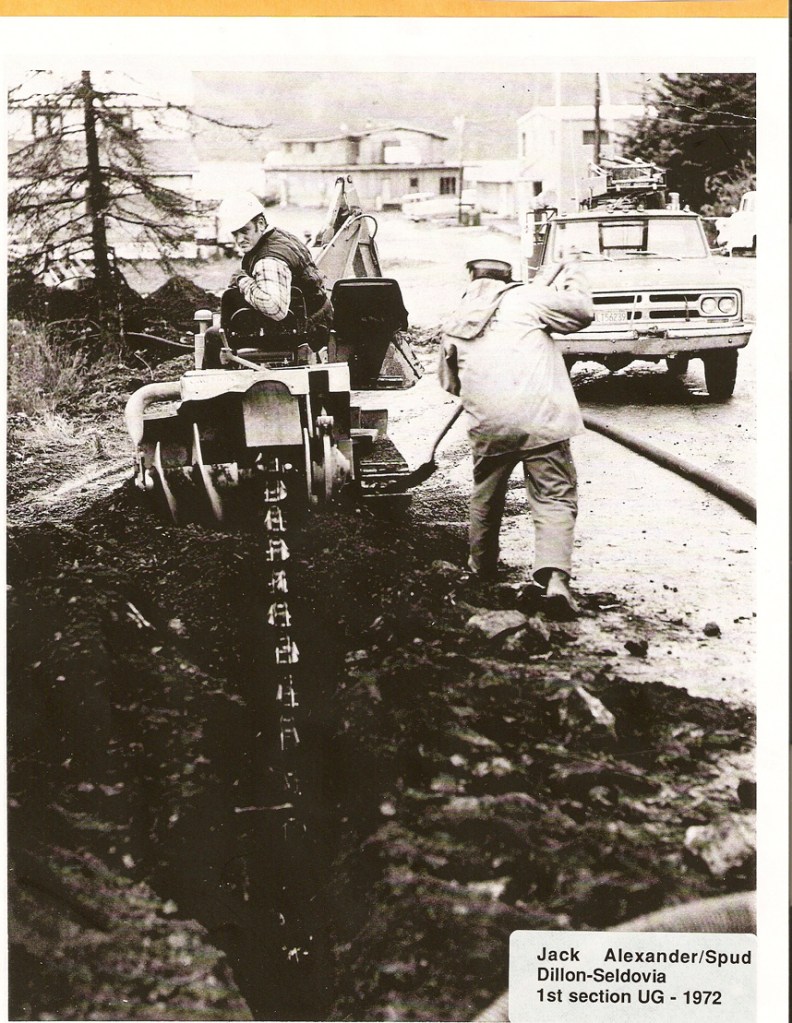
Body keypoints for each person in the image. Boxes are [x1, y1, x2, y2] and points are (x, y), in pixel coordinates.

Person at [438, 255, 594, 617]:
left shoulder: (457, 318)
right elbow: (583, 312)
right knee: (553, 495)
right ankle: (555, 581)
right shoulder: (528, 297)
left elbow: (449, 383)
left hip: (489, 425)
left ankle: (480, 570)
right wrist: (574, 273)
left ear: (471, 280)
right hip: (542, 422)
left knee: (486, 496)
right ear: (508, 280)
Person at [217, 191, 332, 348]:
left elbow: (275, 308)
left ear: (260, 223)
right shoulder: (281, 236)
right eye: (235, 233)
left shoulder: (268, 260)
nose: (239, 239)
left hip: (305, 334)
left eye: (244, 231)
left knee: (213, 336)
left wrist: (242, 280)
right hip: (318, 320)